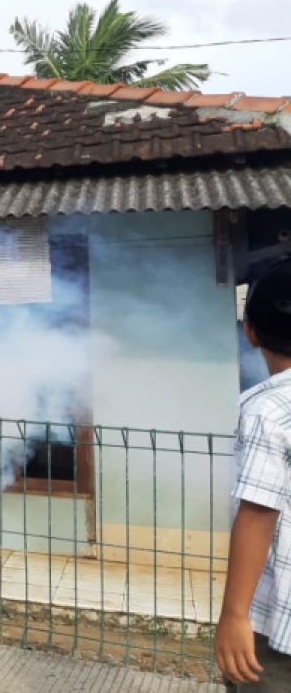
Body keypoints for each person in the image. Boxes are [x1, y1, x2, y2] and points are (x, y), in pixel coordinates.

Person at [216, 258, 291, 690]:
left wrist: (234, 615)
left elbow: (258, 513)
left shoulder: (265, 409)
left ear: (249, 332)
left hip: (280, 621)